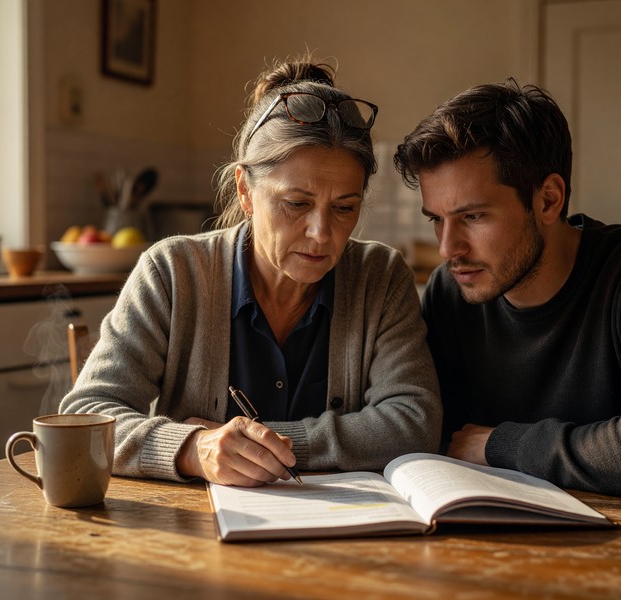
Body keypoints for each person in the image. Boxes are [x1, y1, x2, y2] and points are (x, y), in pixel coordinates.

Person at [61, 57, 441, 487]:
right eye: (296, 203)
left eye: (344, 208)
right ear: (245, 190)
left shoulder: (380, 275)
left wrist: (263, 443)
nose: (321, 234)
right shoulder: (172, 272)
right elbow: (85, 415)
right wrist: (193, 448)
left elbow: (415, 423)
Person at [392, 79, 621, 502]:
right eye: (436, 220)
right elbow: (438, 437)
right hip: (505, 542)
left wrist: (500, 444)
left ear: (549, 200)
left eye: (474, 216)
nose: (448, 248)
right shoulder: (452, 290)